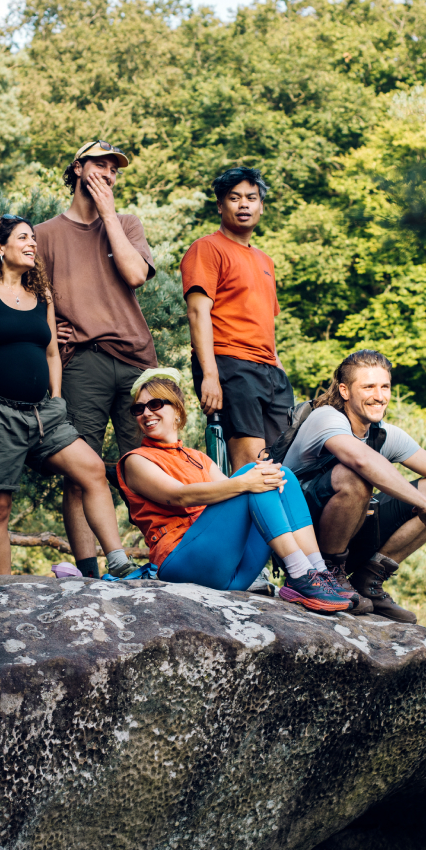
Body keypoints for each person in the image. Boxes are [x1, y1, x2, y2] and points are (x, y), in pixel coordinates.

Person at [0, 215, 139, 578]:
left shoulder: (42, 294)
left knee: (93, 470)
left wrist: (56, 400)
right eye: (23, 238)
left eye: (34, 239)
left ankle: (118, 561)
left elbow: (52, 352)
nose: (32, 244)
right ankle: (3, 589)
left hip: (44, 414)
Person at [117, 370, 351, 614]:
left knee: (283, 477)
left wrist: (251, 479)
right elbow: (179, 496)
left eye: (154, 404)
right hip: (181, 563)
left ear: (177, 410)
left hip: (231, 571)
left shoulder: (198, 458)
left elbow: (235, 495)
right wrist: (248, 480)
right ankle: (300, 572)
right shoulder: (136, 460)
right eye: (139, 409)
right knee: (255, 475)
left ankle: (317, 572)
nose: (146, 413)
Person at [34, 140, 157, 579]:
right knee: (80, 467)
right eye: (99, 165)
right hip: (81, 360)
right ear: (77, 168)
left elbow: (136, 275)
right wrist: (50, 330)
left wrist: (108, 216)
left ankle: (161, 559)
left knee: (146, 464)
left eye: (114, 169)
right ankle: (89, 572)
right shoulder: (44, 234)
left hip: (135, 358)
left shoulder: (126, 223)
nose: (108, 173)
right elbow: (32, 303)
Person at [282, 350, 426, 623]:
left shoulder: (382, 433)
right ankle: (329, 573)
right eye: (368, 387)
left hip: (349, 530)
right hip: (301, 540)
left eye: (385, 386)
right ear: (344, 391)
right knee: (354, 475)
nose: (379, 396)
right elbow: (361, 460)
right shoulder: (326, 418)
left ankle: (369, 580)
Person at [182, 167, 291, 468]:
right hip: (232, 366)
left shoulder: (265, 260)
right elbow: (197, 312)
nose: (244, 204)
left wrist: (279, 371)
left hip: (270, 372)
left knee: (284, 462)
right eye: (235, 197)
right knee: (253, 467)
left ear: (261, 206)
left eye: (251, 198)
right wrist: (210, 376)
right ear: (220, 205)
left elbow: (266, 324)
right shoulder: (207, 248)